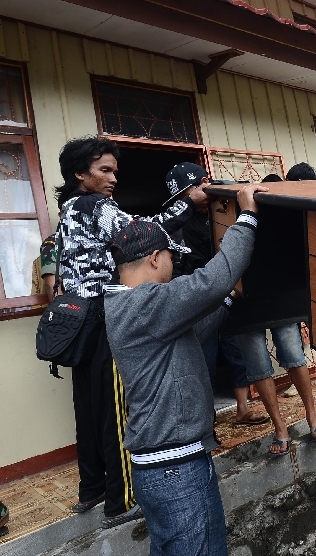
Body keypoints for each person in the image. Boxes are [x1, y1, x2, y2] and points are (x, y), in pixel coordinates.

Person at [54, 136, 210, 527]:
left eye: (114, 172)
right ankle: (120, 501)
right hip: (104, 317)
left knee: (87, 406)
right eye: (104, 170)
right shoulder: (94, 205)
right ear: (79, 173)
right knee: (115, 409)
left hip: (76, 321)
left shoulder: (68, 209)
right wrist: (187, 204)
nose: (112, 179)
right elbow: (141, 233)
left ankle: (90, 488)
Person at [104, 184, 265, 555]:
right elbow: (211, 280)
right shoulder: (144, 303)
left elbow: (190, 334)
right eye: (172, 259)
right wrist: (247, 217)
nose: (175, 266)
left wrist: (226, 298)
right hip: (174, 470)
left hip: (174, 464)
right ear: (156, 258)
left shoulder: (131, 307)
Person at [234, 164, 316, 455]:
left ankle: (312, 416)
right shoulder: (232, 209)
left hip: (278, 292)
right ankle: (280, 428)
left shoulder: (289, 207)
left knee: (293, 355)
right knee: (258, 365)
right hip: (243, 297)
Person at [165, 162, 268, 427]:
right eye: (181, 198)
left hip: (231, 292)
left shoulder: (224, 207)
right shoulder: (176, 222)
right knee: (203, 362)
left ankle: (243, 409)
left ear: (204, 183)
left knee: (236, 353)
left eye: (190, 193)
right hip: (199, 301)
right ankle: (205, 422)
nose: (188, 201)